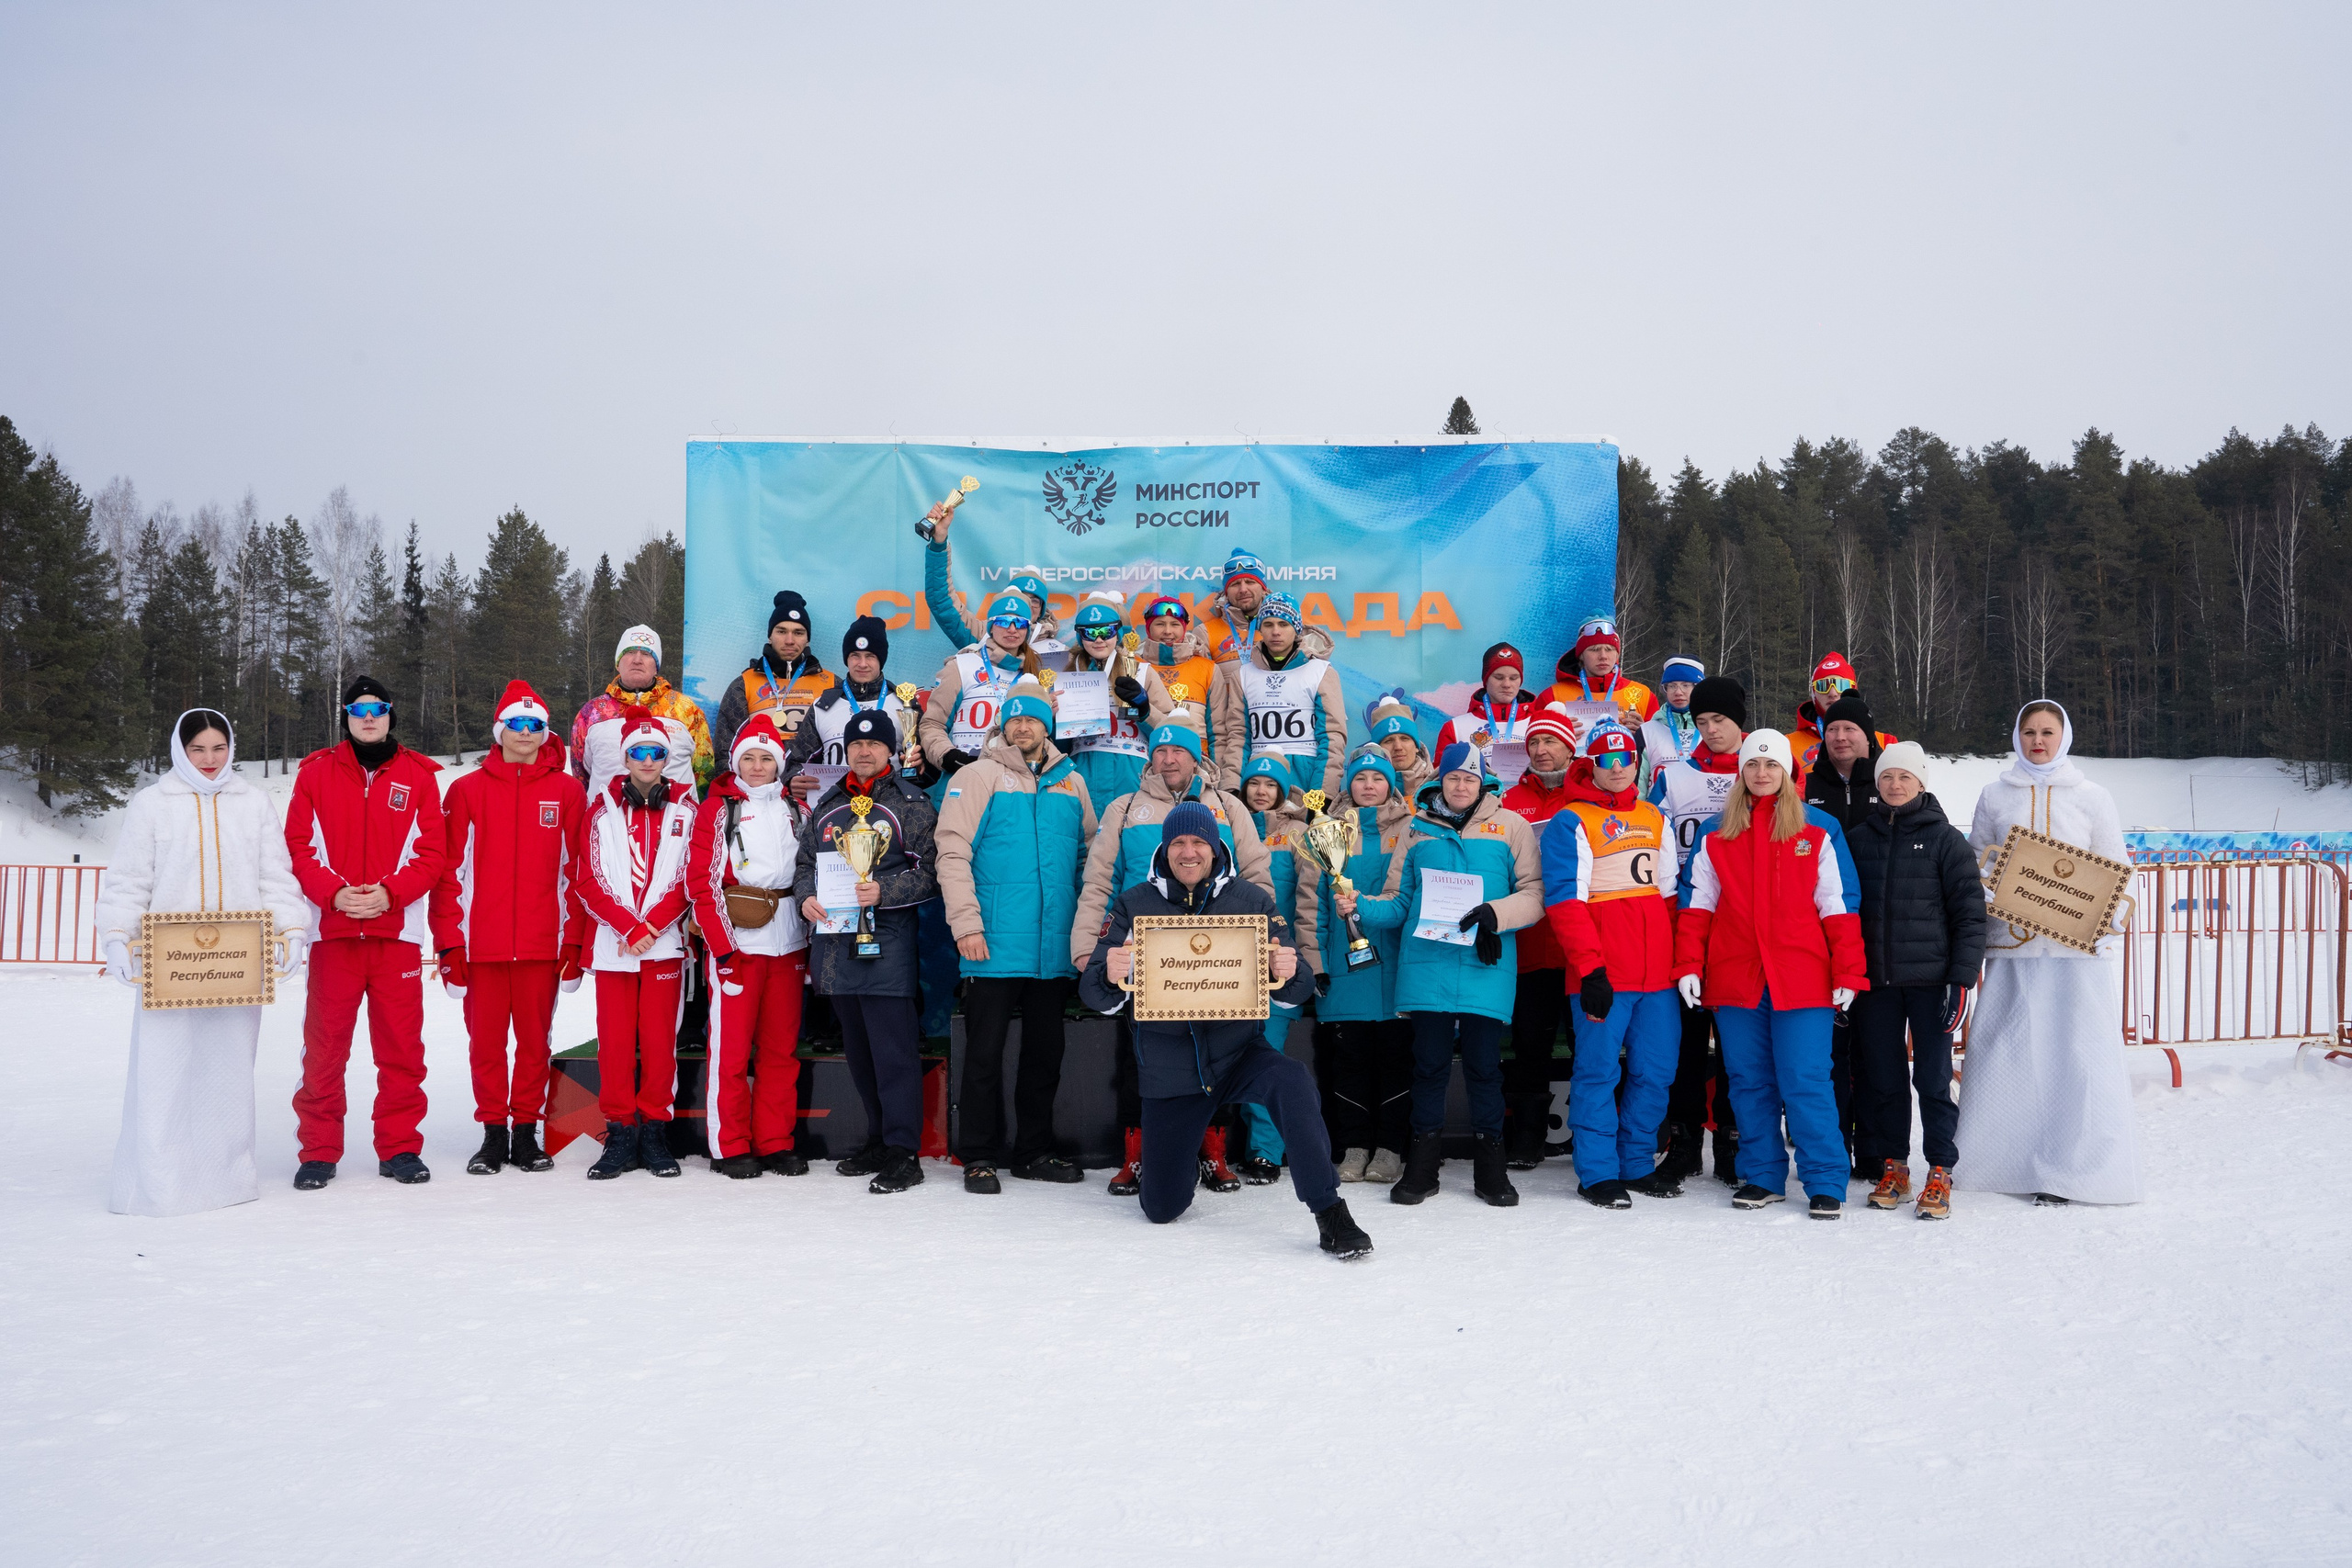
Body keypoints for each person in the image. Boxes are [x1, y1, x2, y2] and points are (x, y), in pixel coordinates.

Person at [1079, 803, 1371, 1259]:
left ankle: (1330, 1210)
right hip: (1170, 1069)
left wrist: (1289, 971)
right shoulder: (1134, 903)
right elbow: (1095, 994)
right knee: (1161, 1208)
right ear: (1165, 848)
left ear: (1216, 849)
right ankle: (1182, 1163)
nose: (1188, 852)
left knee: (1292, 1080)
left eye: (1199, 842)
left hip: (1238, 1054)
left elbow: (1295, 989)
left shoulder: (1252, 901)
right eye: (1178, 842)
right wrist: (1112, 972)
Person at [97, 710, 311, 1215]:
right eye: (199, 750)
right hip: (170, 961)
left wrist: (292, 928)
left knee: (229, 1070)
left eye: (219, 749)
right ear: (180, 750)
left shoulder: (253, 803)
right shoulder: (151, 805)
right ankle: (159, 1182)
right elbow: (130, 879)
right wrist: (116, 935)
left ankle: (225, 1178)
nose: (210, 760)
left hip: (238, 961)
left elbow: (274, 874)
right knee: (163, 1070)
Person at [1068, 708, 1275, 1193]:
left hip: (1217, 955)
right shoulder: (1125, 806)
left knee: (1218, 1052)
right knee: (1138, 1056)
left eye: (1177, 749)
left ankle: (1213, 1149)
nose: (1167, 759)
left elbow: (1256, 874)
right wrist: (1088, 952)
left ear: (1195, 756)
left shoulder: (1227, 805)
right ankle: (1137, 1153)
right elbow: (1099, 881)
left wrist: (1260, 940)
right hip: (1145, 956)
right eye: (1158, 750)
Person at [1672, 729, 1868, 1218]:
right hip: (1738, 977)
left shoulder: (1818, 829)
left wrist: (1848, 969)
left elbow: (1839, 906)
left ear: (1788, 772)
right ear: (1742, 773)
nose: (1762, 774)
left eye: (1772, 765)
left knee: (1805, 1079)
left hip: (1801, 977)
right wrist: (1689, 964)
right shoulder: (1719, 833)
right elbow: (1697, 905)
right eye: (1754, 766)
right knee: (1748, 1080)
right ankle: (1762, 1175)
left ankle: (1825, 1179)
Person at [1341, 741, 1546, 1208]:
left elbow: (1534, 893)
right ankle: (1422, 1168)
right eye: (1453, 777)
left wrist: (1496, 914)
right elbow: (1398, 901)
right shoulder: (1418, 829)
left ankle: (1490, 1170)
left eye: (1469, 779)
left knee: (1483, 1069)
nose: (1460, 786)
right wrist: (1360, 906)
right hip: (1427, 965)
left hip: (1484, 965)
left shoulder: (1511, 826)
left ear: (1483, 783)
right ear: (1440, 780)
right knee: (1429, 1068)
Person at [1956, 701, 2143, 1206]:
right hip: (2012, 949)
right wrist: (1990, 890)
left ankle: (2076, 1168)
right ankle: (2005, 1162)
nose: (2038, 740)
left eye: (2048, 732)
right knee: (2009, 1053)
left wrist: (2109, 920)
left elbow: (2117, 870)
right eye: (2029, 731)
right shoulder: (1994, 795)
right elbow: (1976, 859)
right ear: (2017, 737)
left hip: (2072, 955)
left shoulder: (2092, 797)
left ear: (2065, 736)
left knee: (2075, 1055)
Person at [284, 677, 447, 1188]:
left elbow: (432, 854)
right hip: (333, 937)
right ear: (347, 718)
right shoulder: (315, 774)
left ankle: (399, 1147)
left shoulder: (419, 777)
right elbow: (298, 845)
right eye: (358, 710)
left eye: (378, 709)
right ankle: (318, 1150)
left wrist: (391, 893)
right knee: (325, 1048)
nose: (369, 718)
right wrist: (332, 893)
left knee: (401, 1049)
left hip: (394, 935)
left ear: (391, 715)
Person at [934, 681, 1096, 1193]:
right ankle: (979, 1154)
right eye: (1014, 719)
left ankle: (1033, 1151)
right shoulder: (978, 775)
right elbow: (952, 853)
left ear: (1047, 726)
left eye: (1032, 719)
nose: (1022, 727)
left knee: (1044, 1056)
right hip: (993, 943)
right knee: (984, 1054)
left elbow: (1086, 861)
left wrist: (1082, 935)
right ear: (1002, 724)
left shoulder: (1072, 781)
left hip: (1052, 949)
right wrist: (967, 925)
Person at [431, 679, 588, 1177]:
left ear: (546, 733)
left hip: (543, 945)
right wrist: (451, 943)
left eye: (535, 725)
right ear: (500, 731)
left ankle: (526, 1132)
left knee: (535, 1043)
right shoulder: (466, 790)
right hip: (483, 948)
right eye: (516, 724)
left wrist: (574, 941)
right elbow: (447, 874)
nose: (525, 733)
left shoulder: (566, 791)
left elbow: (577, 874)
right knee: (486, 1044)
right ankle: (493, 1133)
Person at [794, 709, 942, 1194]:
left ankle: (904, 1151)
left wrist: (886, 891)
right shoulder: (829, 803)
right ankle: (879, 1138)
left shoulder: (911, 803)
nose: (864, 752)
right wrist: (805, 897)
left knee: (893, 1054)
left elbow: (932, 872)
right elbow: (804, 864)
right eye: (857, 746)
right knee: (859, 1054)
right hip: (835, 948)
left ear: (891, 751)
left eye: (875, 745)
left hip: (887, 948)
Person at [1542, 720, 1682, 1207]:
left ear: (1638, 763)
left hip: (1657, 975)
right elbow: (1565, 902)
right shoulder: (1572, 819)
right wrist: (1590, 969)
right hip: (1604, 974)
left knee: (1656, 1071)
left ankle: (1638, 1163)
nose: (1618, 768)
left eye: (1625, 759)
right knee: (1598, 1072)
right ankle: (1598, 1171)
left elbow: (1668, 897)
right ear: (1592, 764)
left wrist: (1682, 963)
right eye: (1607, 760)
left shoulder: (1653, 816)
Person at [1846, 741, 1984, 1220]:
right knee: (1884, 1080)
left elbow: (1970, 916)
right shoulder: (1858, 838)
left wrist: (1962, 980)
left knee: (1932, 1079)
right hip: (1877, 985)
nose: (1895, 785)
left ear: (1921, 783)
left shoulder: (1947, 840)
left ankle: (1941, 1169)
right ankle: (1895, 1167)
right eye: (1887, 777)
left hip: (1931, 983)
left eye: (1905, 777)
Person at [685, 713, 814, 1179]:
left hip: (788, 944)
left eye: (766, 758)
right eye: (748, 758)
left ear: (779, 764)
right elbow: (700, 883)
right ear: (735, 762)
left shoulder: (798, 810)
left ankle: (776, 1141)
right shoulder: (718, 809)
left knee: (780, 1052)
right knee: (732, 1052)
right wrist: (721, 948)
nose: (757, 767)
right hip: (737, 945)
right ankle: (730, 1143)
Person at [574, 716, 699, 1180]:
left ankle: (655, 1129)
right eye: (639, 753)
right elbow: (587, 877)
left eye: (657, 754)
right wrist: (629, 927)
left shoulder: (687, 810)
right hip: (616, 943)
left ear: (668, 760)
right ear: (625, 758)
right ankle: (621, 1129)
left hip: (664, 945)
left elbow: (691, 876)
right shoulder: (601, 809)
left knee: (660, 1040)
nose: (648, 761)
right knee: (615, 1042)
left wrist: (654, 925)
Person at [1647, 673, 1747, 1183]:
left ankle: (1732, 1139)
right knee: (1686, 1041)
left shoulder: (1762, 770)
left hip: (1743, 927)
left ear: (1740, 722)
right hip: (1688, 920)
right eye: (1702, 721)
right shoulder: (1675, 775)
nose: (1710, 730)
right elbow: (1658, 847)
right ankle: (1684, 1139)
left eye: (1720, 721)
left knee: (1736, 1041)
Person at [1298, 752, 1414, 1183]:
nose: (1369, 785)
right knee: (1349, 1063)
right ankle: (1353, 1146)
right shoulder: (1325, 832)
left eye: (1377, 778)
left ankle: (1389, 1149)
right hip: (1346, 970)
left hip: (1397, 969)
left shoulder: (1411, 828)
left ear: (1391, 785)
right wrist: (1316, 961)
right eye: (1360, 778)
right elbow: (1310, 905)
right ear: (1349, 786)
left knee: (1395, 1061)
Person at [1495, 703, 1584, 1168]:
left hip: (1578, 945)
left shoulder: (1588, 794)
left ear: (1570, 746)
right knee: (1529, 1042)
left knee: (1589, 1042)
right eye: (1534, 742)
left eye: (1550, 741)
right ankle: (1527, 1136)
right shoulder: (1509, 799)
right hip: (1529, 941)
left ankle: (1590, 1135)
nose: (1541, 750)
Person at [1231, 752, 1312, 1183]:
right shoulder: (1227, 825)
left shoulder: (1297, 833)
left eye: (1270, 785)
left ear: (1283, 790)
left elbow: (1308, 900)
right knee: (1232, 1054)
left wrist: (1304, 957)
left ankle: (1265, 1151)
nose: (1261, 792)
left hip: (1277, 962)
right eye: (1254, 783)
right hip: (1231, 963)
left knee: (1269, 1054)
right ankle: (1229, 1147)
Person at [1213, 592, 1348, 802]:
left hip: (1305, 777)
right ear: (1260, 629)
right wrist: (1232, 788)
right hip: (1259, 779)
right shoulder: (1245, 675)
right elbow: (1239, 737)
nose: (1276, 632)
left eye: (1283, 624)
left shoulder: (1321, 671)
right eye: (1268, 624)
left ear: (1296, 629)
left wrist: (1323, 793)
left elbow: (1332, 737)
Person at [785, 614, 922, 800]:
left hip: (891, 810)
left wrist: (923, 766)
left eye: (870, 656)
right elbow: (796, 761)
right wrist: (792, 780)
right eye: (855, 655)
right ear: (846, 658)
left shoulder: (905, 704)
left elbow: (927, 765)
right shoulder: (823, 706)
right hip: (836, 808)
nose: (862, 664)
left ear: (881, 659)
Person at [570, 624, 714, 798]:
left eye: (646, 654)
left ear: (656, 666)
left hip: (676, 820)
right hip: (607, 819)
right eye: (629, 652)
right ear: (617, 663)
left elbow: (703, 772)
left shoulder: (686, 709)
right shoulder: (591, 713)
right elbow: (581, 775)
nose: (637, 659)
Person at [919, 592, 1049, 777]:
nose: (1012, 629)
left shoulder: (1035, 675)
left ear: (1027, 629)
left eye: (1019, 623)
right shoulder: (962, 665)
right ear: (991, 626)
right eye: (1003, 622)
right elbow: (932, 723)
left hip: (1017, 779)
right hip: (965, 773)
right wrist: (949, 757)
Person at [917, 500, 1065, 660]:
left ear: (1042, 610)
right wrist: (939, 542)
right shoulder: (981, 635)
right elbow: (942, 601)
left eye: (1035, 601)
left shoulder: (1058, 653)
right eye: (1021, 597)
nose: (1027, 605)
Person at [712, 590, 842, 761]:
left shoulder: (832, 684)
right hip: (760, 784)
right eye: (781, 631)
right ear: (770, 636)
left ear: (807, 639)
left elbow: (842, 745)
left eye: (798, 632)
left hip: (812, 784)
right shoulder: (744, 684)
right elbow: (725, 753)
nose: (789, 640)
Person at [1783, 651, 1898, 774]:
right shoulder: (1787, 744)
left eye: (1841, 685)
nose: (1832, 692)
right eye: (1823, 686)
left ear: (1853, 690)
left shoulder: (1886, 742)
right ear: (1813, 693)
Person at [1544, 615, 1657, 731]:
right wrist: (1557, 734)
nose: (1603, 656)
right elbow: (1534, 744)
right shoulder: (1553, 696)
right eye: (1594, 649)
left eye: (1609, 649)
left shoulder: (1643, 695)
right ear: (1581, 655)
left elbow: (1660, 746)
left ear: (1617, 654)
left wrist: (1644, 736)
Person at [1435, 642, 1540, 756]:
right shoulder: (1455, 728)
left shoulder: (1539, 724)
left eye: (1514, 678)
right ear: (1486, 680)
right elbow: (1441, 773)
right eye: (1498, 678)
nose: (1506, 684)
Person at [1804, 689, 1884, 831]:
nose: (1840, 737)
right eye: (1832, 729)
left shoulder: (1888, 784)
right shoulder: (1805, 787)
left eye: (1849, 729)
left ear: (1868, 737)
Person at [1638, 655, 1707, 796]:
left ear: (1698, 688)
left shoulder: (1713, 729)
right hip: (1658, 814)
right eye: (1672, 686)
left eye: (1685, 685)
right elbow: (1639, 784)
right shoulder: (1647, 731)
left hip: (1704, 814)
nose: (1678, 692)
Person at [1199, 547, 1273, 665]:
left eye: (1250, 582)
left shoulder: (1284, 627)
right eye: (1235, 584)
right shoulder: (1205, 633)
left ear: (1264, 589)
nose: (1243, 589)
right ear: (1226, 592)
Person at [1364, 691, 1434, 797]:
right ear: (1378, 748)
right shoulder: (1366, 791)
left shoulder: (1438, 788)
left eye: (1405, 739)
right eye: (1388, 741)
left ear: (1416, 746)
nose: (1398, 747)